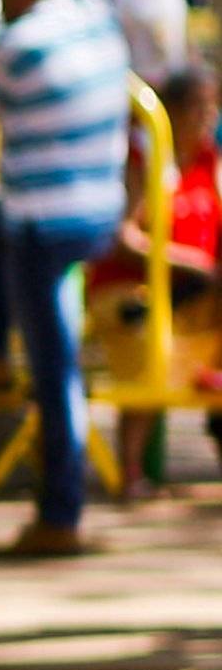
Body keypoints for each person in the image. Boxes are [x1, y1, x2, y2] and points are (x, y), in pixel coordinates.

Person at [0, 0, 132, 558]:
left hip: (43, 222)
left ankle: (59, 513)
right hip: (99, 211)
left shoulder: (18, 48)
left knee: (55, 373)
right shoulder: (95, 17)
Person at [92, 64, 222, 494]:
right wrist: (188, 264)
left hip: (194, 292)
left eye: (211, 108)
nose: (206, 118)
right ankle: (132, 470)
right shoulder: (145, 157)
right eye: (196, 108)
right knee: (152, 344)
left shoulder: (209, 162)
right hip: (134, 289)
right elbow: (124, 238)